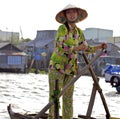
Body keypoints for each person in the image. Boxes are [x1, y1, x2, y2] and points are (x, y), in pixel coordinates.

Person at [48, 4, 107, 119]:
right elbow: (60, 46)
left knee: (68, 98)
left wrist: (100, 46)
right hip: (57, 67)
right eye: (69, 13)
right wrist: (75, 49)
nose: (71, 15)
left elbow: (86, 48)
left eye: (73, 12)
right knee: (55, 96)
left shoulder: (79, 32)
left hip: (70, 69)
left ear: (77, 14)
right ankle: (52, 117)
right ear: (65, 15)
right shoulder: (62, 29)